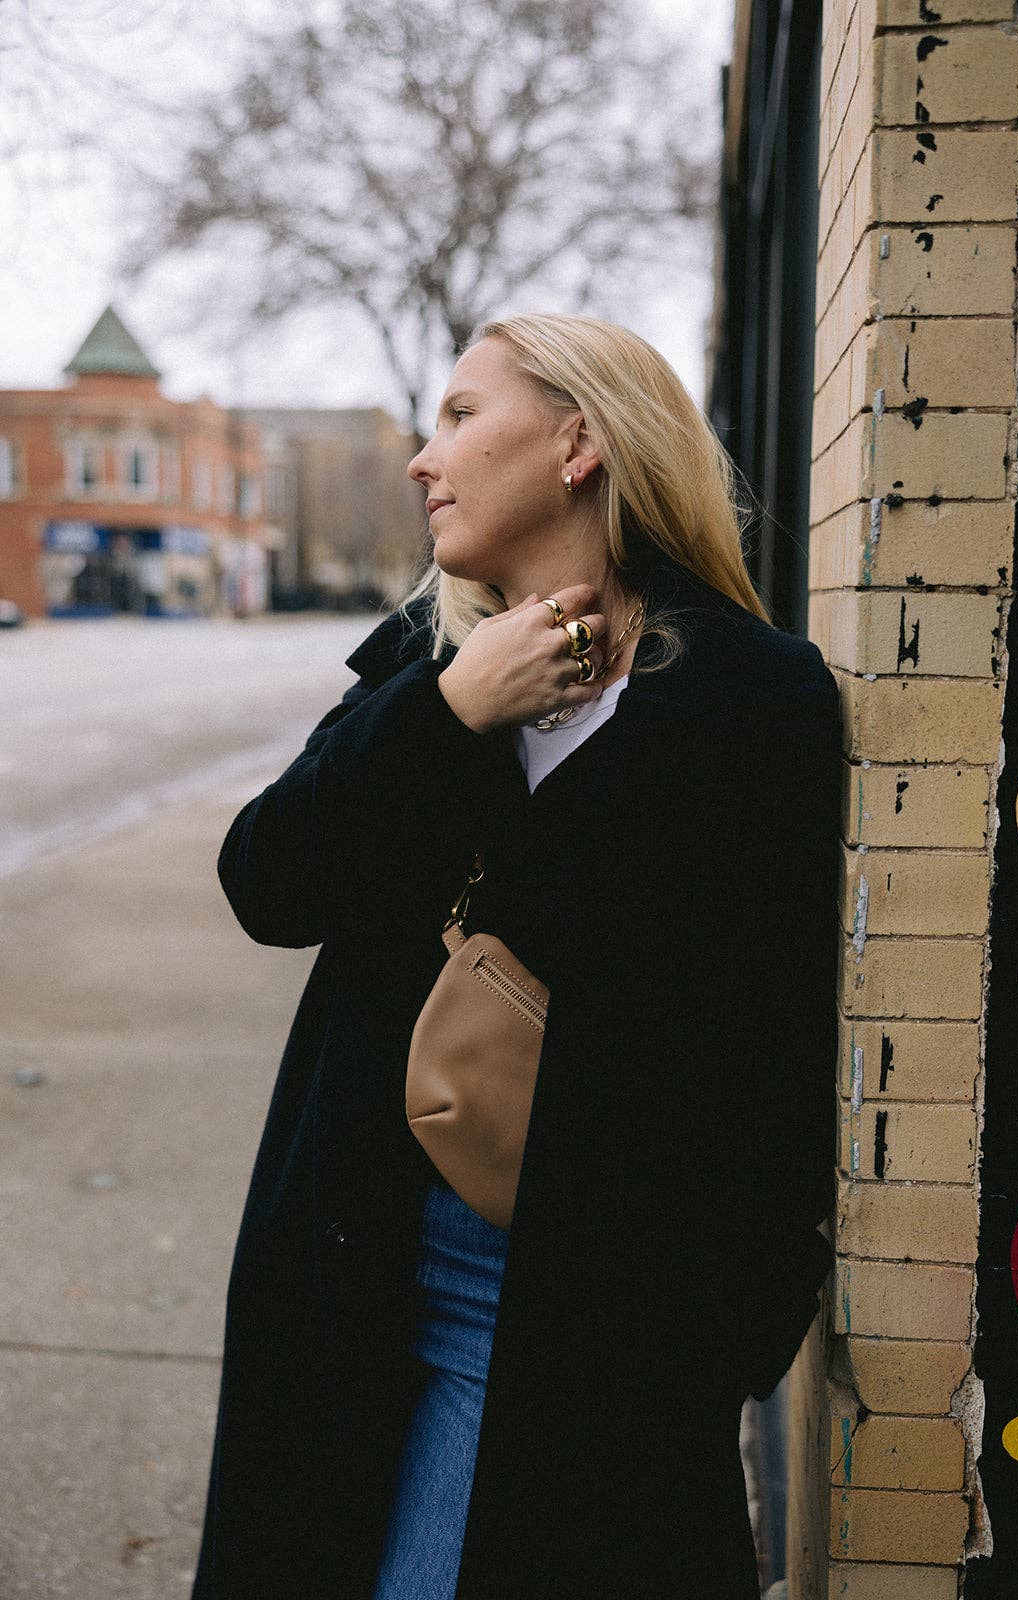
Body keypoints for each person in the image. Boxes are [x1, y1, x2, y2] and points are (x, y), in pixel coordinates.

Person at [189, 312, 841, 1600]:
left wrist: (721, 1338)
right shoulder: (427, 663)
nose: (422, 460)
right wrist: (451, 714)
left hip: (587, 1317)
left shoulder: (749, 700)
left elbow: (772, 1037)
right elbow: (267, 883)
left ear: (579, 442)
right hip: (363, 1271)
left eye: (461, 416)